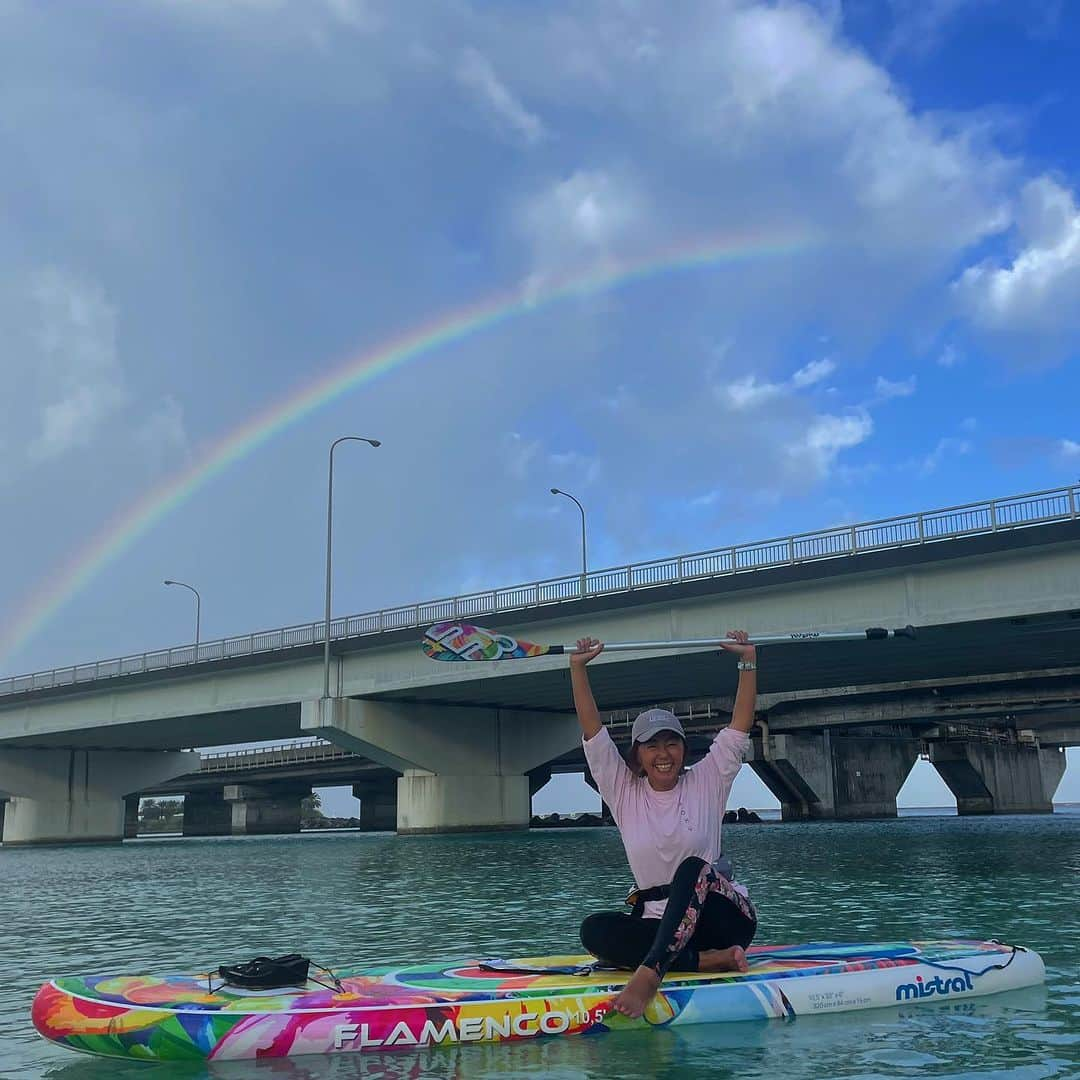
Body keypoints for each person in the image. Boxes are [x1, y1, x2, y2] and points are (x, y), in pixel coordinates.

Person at [571, 630, 759, 1018]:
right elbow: (594, 733)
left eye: (671, 743)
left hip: (721, 919)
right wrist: (577, 669)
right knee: (594, 930)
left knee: (693, 868)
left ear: (683, 750)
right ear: (637, 755)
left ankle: (651, 972)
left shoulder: (708, 779)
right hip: (662, 929)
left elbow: (739, 725)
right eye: (652, 745)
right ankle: (706, 961)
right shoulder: (623, 791)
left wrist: (747, 661)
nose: (663, 754)